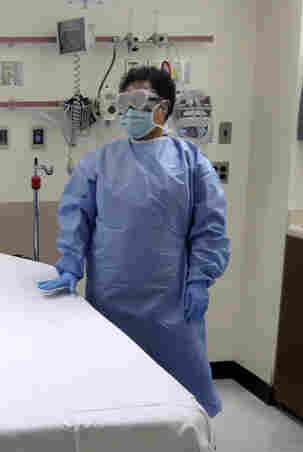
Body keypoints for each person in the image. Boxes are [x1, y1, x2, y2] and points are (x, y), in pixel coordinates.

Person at [38, 67, 229, 417]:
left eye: (138, 101)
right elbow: (76, 218)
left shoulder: (191, 163)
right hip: (112, 296)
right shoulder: (99, 163)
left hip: (170, 300)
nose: (128, 111)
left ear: (162, 107)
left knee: (178, 388)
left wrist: (200, 279)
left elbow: (210, 228)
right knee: (115, 387)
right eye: (123, 102)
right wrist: (69, 266)